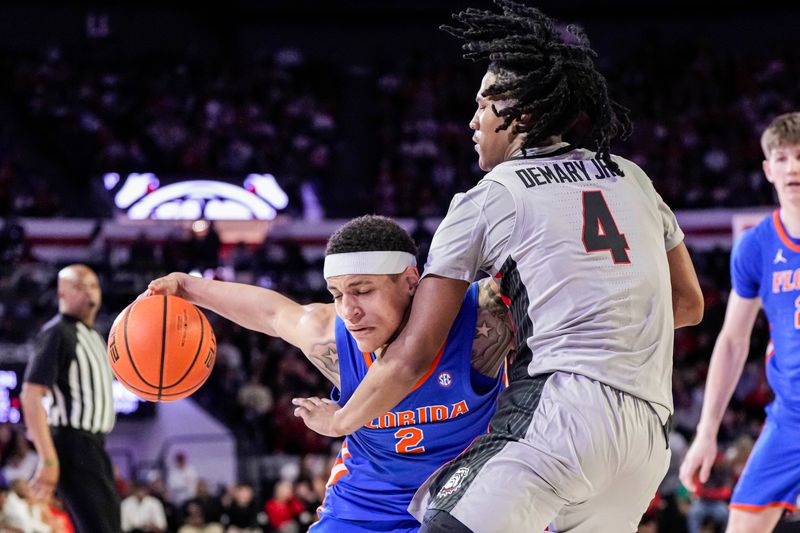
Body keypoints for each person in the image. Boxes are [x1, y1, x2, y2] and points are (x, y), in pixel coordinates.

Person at [291, 2, 704, 532]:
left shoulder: (490, 196)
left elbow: (414, 355)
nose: (473, 120)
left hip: (560, 413)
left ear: (523, 116)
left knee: (440, 521)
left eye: (484, 105)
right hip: (646, 435)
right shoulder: (632, 177)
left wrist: (341, 419)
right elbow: (688, 305)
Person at [146, 215, 513, 532]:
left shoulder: (479, 317)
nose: (348, 310)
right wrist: (187, 286)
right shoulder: (332, 337)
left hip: (468, 494)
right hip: (365, 505)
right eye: (336, 294)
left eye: (363, 290)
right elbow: (273, 314)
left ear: (411, 280)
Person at [679, 112, 800, 532]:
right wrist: (707, 431)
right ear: (768, 169)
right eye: (782, 158)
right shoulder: (755, 246)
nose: (793, 168)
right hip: (789, 420)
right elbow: (732, 341)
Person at [20, 264, 120, 533]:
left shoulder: (96, 336)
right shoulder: (58, 332)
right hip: (73, 443)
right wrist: (48, 458)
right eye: (79, 285)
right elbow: (31, 395)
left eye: (94, 285)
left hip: (94, 445)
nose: (89, 291)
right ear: (62, 293)